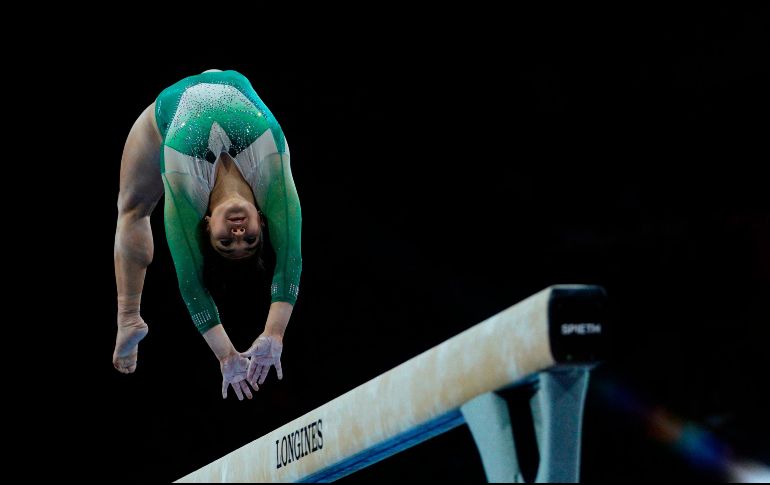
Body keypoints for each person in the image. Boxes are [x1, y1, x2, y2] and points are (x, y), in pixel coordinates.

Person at [112, 69, 302, 400]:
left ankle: (128, 316)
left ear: (207, 223)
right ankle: (128, 319)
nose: (239, 234)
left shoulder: (187, 190)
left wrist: (227, 356)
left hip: (163, 116)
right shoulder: (271, 177)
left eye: (225, 243)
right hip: (234, 82)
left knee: (132, 209)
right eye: (250, 239)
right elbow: (290, 258)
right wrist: (274, 334)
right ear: (262, 218)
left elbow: (190, 283)